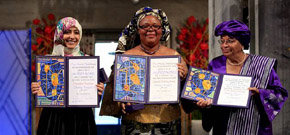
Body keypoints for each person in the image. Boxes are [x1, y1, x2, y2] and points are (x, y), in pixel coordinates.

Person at [100, 7, 189, 135]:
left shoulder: (174, 56)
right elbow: (113, 93)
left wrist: (184, 77)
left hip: (168, 123)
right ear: (138, 30)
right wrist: (122, 102)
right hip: (135, 123)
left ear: (162, 29)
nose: (150, 29)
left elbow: (188, 92)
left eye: (156, 26)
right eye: (145, 26)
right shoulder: (126, 57)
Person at [197, 20, 288, 135]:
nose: (224, 45)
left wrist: (260, 93)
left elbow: (279, 94)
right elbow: (207, 93)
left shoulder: (263, 65)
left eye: (230, 41)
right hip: (223, 127)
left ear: (242, 43)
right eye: (222, 41)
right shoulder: (215, 64)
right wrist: (206, 105)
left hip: (255, 127)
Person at [31, 17, 104, 135]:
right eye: (67, 32)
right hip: (54, 120)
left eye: (76, 32)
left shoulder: (87, 61)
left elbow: (92, 98)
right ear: (59, 34)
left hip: (81, 120)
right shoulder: (48, 61)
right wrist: (37, 91)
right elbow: (44, 96)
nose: (72, 36)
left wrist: (98, 93)